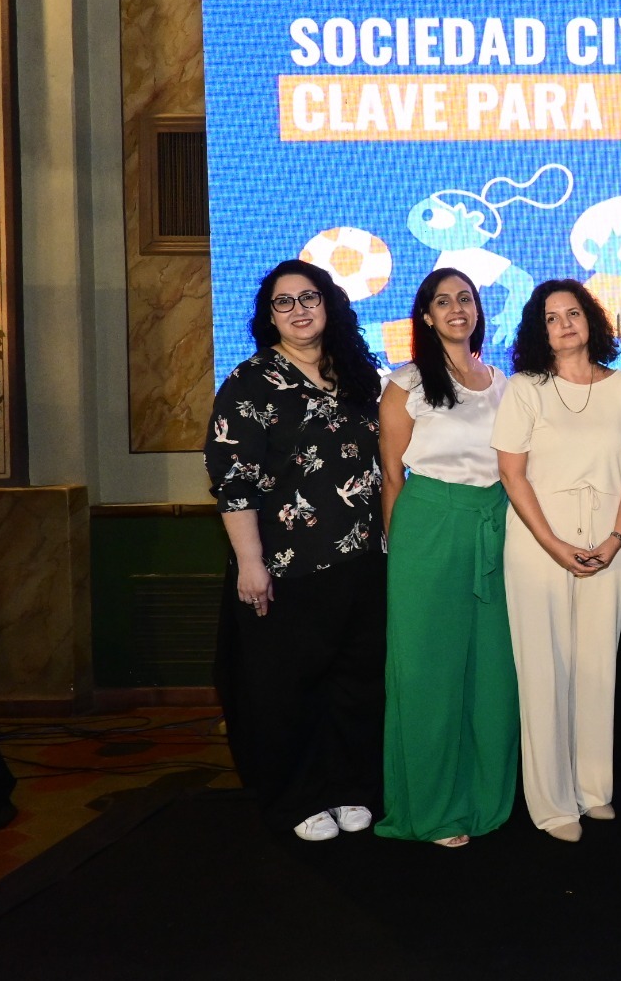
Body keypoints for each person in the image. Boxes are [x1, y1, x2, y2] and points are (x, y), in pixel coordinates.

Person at [205, 259, 385, 841]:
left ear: (329, 304)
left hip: (360, 561)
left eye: (310, 297)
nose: (300, 309)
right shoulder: (249, 383)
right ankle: (299, 798)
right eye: (284, 301)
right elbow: (232, 482)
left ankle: (349, 787)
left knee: (355, 680)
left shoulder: (359, 375)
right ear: (268, 315)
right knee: (289, 688)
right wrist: (251, 564)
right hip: (286, 568)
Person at [491, 279, 621, 843]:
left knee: (596, 666)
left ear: (592, 320)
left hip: (611, 537)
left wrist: (615, 537)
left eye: (573, 313)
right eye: (551, 317)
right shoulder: (523, 389)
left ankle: (592, 791)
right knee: (544, 668)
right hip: (541, 540)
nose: (564, 323)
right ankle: (552, 802)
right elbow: (512, 474)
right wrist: (553, 544)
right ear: (538, 329)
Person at [374, 269, 517, 849]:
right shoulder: (405, 383)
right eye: (443, 301)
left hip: (496, 527)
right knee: (428, 674)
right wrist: (398, 554)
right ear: (425, 315)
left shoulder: (502, 381)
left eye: (466, 298)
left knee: (492, 675)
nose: (457, 308)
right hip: (428, 529)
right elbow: (390, 476)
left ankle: (485, 799)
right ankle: (430, 808)